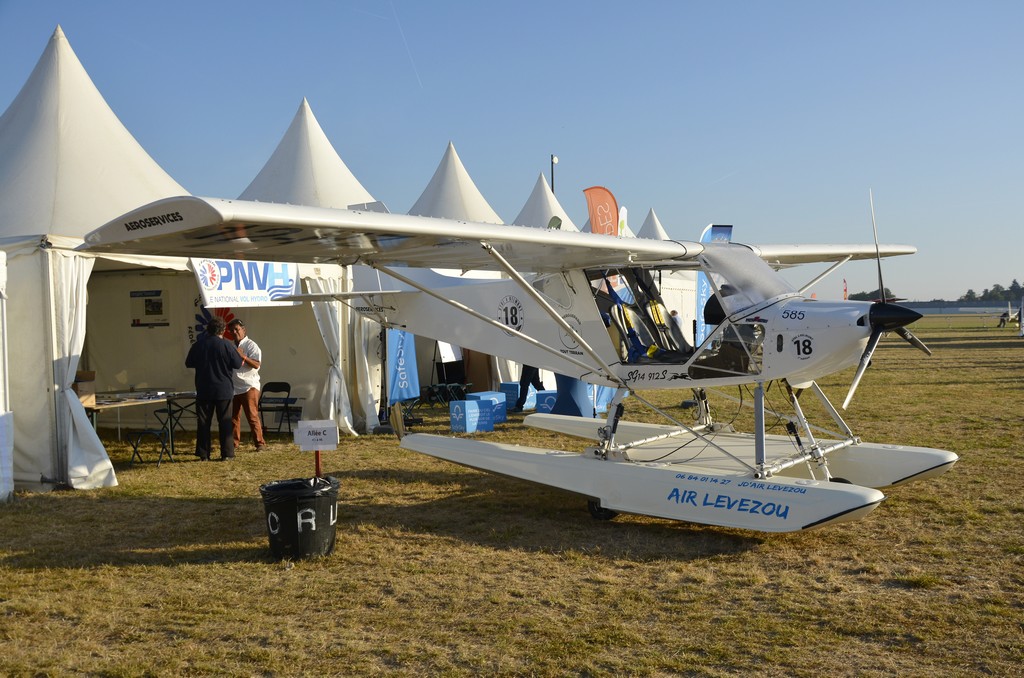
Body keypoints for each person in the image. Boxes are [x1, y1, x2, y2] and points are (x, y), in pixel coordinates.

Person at [185, 316, 243, 461]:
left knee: (203, 422)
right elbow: (237, 364)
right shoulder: (227, 345)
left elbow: (189, 363)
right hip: (224, 390)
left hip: (204, 388)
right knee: (225, 422)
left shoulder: (199, 345)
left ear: (208, 330)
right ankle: (227, 454)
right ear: (223, 330)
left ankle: (203, 454)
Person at [227, 318, 266, 451]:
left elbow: (256, 364)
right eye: (231, 330)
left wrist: (243, 356)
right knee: (234, 417)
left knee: (252, 415)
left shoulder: (251, 345)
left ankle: (260, 443)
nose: (234, 332)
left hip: (249, 386)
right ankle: (233, 443)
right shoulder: (231, 345)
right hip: (234, 386)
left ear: (244, 330)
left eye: (237, 329)